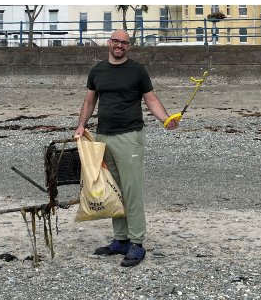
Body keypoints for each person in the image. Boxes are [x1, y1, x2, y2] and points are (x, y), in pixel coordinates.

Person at [74, 29, 182, 268]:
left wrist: (165, 120)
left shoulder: (137, 70)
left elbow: (151, 98)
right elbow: (89, 100)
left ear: (129, 47)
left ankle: (136, 242)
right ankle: (120, 239)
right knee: (114, 189)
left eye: (124, 42)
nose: (119, 45)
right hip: (103, 137)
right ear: (109, 43)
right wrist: (81, 125)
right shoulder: (97, 71)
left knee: (132, 190)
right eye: (116, 41)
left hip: (129, 137)